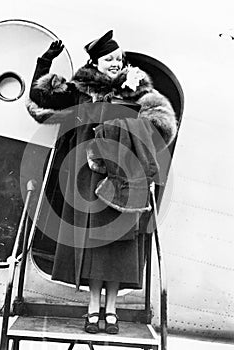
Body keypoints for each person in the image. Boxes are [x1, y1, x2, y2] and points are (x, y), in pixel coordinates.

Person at [27, 30, 177, 334]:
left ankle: (111, 310)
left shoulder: (135, 88)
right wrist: (45, 63)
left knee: (119, 245)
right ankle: (94, 309)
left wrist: (131, 130)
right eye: (109, 59)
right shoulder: (81, 89)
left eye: (118, 59)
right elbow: (41, 98)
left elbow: (163, 126)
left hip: (125, 174)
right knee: (96, 242)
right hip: (89, 176)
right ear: (95, 62)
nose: (115, 63)